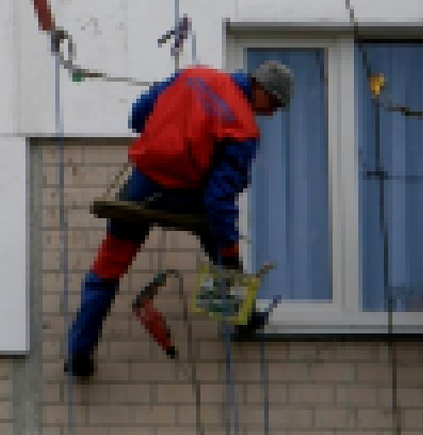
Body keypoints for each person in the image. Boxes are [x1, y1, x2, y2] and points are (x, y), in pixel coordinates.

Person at [64, 60, 294, 379]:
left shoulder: (192, 74)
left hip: (141, 185)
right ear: (262, 89)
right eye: (275, 104)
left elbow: (137, 115)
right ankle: (241, 319)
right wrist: (227, 252)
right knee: (220, 244)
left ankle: (78, 353)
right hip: (184, 192)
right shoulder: (243, 128)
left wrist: (167, 135)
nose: (271, 113)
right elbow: (219, 199)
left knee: (107, 269)